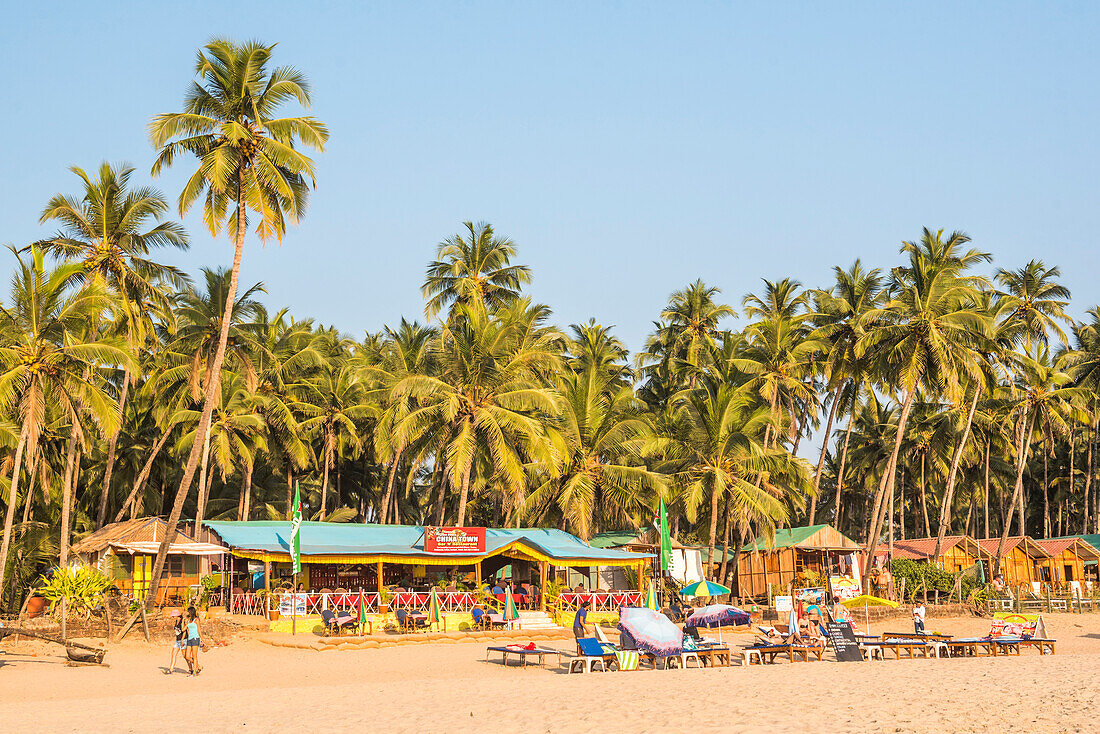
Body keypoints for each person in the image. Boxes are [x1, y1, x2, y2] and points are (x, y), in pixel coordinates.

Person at [183, 606, 204, 676]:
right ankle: (198, 666)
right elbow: (184, 629)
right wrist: (183, 621)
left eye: (188, 611)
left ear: (191, 612)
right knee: (187, 656)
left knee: (194, 656)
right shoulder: (189, 621)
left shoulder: (196, 620)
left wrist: (203, 639)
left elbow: (199, 630)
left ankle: (194, 671)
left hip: (195, 638)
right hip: (189, 639)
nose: (187, 613)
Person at [165, 609, 185, 674]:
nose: (172, 617)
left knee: (186, 656)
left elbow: (184, 631)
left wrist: (182, 640)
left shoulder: (182, 621)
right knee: (173, 654)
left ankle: (196, 666)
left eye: (173, 616)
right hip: (177, 640)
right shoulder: (176, 621)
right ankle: (171, 669)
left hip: (183, 640)